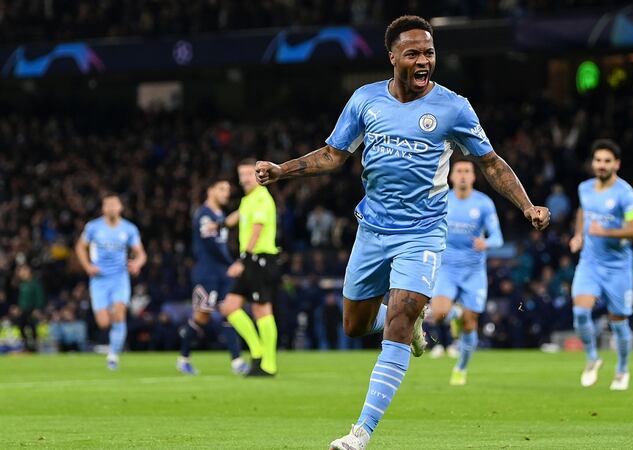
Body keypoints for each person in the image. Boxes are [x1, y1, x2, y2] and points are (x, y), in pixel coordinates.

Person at [254, 15, 550, 449]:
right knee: (354, 326)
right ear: (392, 57)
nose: (423, 60)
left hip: (424, 232)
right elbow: (334, 155)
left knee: (402, 312)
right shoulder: (365, 100)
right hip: (372, 231)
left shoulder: (454, 106)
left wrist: (526, 205)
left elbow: (491, 163)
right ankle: (405, 325)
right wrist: (282, 171)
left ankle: (361, 433)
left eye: (429, 52)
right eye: (412, 53)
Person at [569, 139, 633, 391]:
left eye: (607, 161)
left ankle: (622, 369)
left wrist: (605, 231)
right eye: (598, 160)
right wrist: (579, 235)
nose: (601, 165)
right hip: (589, 263)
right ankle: (592, 358)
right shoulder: (585, 188)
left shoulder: (625, 194)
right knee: (580, 312)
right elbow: (583, 212)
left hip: (617, 267)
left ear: (617, 164)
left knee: (618, 321)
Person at [429, 160, 504, 386]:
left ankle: (461, 367)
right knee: (439, 312)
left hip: (473, 271)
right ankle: (456, 315)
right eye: (459, 171)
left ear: (473, 177)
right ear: (451, 176)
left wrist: (486, 243)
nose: (462, 175)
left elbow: (498, 238)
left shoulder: (483, 203)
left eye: (467, 172)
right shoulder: (441, 200)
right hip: (447, 268)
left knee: (471, 324)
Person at [177, 179, 250, 375]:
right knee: (201, 316)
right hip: (207, 273)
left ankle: (237, 362)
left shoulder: (220, 215)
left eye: (228, 189)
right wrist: (232, 263)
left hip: (222, 274)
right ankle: (183, 358)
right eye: (221, 189)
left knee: (230, 312)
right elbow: (210, 245)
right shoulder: (203, 214)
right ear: (210, 191)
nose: (226, 193)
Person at [218, 159, 281, 377]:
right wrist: (220, 224)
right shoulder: (249, 199)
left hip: (260, 258)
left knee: (261, 309)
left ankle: (268, 364)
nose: (244, 178)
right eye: (241, 174)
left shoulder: (262, 197)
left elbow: (256, 229)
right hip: (251, 260)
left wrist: (242, 259)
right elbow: (239, 215)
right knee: (229, 307)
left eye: (249, 174)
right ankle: (257, 350)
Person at [75, 193, 147, 370]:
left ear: (120, 207)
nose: (112, 208)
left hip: (119, 278)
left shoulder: (129, 229)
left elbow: (141, 253)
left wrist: (137, 263)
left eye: (115, 205)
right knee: (104, 322)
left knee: (119, 313)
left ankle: (113, 356)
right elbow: (80, 247)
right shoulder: (93, 227)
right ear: (103, 208)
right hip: (99, 279)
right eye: (108, 205)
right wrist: (87, 266)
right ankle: (112, 344)